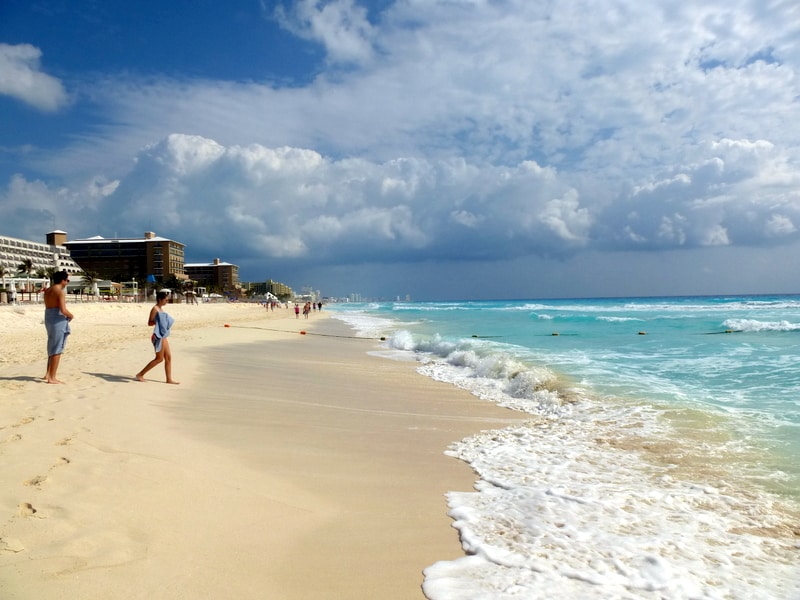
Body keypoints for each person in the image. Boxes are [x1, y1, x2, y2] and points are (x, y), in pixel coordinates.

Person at [135, 291, 179, 384]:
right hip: (157, 336)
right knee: (159, 359)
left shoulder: (161, 309)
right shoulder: (155, 309)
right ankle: (140, 374)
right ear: (160, 299)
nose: (167, 301)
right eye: (165, 300)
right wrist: (158, 322)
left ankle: (169, 379)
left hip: (163, 336)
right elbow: (149, 323)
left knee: (168, 357)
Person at [43, 271, 74, 384]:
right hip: (57, 320)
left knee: (52, 346)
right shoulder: (59, 291)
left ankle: (47, 373)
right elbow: (63, 310)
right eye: (67, 280)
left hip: (49, 319)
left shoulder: (48, 290)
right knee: (57, 348)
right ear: (63, 280)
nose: (67, 282)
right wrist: (71, 316)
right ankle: (52, 377)